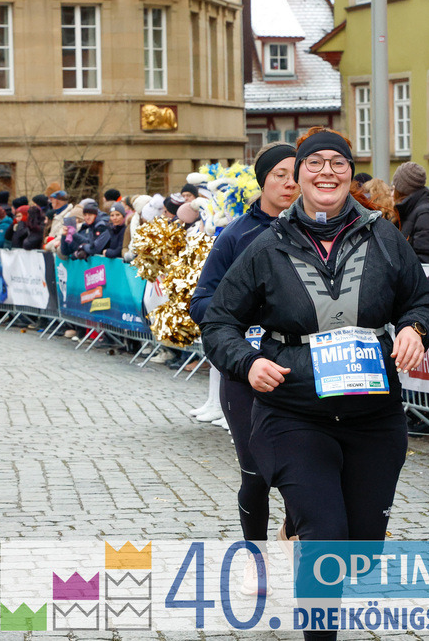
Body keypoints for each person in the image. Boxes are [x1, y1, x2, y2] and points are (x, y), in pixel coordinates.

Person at [201, 128, 429, 641]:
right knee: (326, 536)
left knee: (360, 550)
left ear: (351, 174)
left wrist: (416, 330)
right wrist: (247, 363)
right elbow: (218, 320)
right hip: (294, 413)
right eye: (315, 162)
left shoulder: (384, 237)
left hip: (373, 417)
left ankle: (311, 540)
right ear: (299, 173)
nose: (326, 171)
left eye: (337, 162)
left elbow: (420, 300)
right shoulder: (266, 245)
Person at [190, 141, 298, 591]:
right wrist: (245, 313)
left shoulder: (321, 230)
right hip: (246, 372)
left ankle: (294, 537)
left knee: (304, 471)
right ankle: (257, 560)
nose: (290, 183)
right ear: (263, 180)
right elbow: (202, 303)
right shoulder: (236, 235)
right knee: (255, 475)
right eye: (280, 175)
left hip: (300, 372)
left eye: (297, 174)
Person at [392, 162, 429, 263]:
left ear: (401, 189)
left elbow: (427, 259)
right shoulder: (411, 210)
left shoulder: (425, 214)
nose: (392, 194)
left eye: (394, 188)